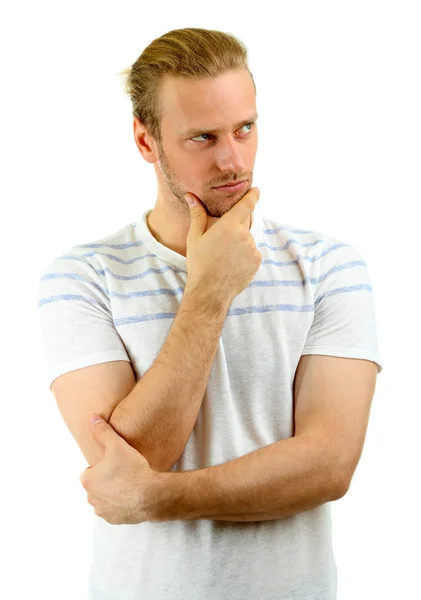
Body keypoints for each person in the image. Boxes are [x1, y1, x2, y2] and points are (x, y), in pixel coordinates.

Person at [37, 27, 383, 600]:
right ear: (146, 143)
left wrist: (159, 497)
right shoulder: (82, 277)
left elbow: (329, 465)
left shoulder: (330, 266)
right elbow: (130, 459)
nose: (233, 160)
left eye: (245, 129)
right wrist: (208, 294)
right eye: (202, 138)